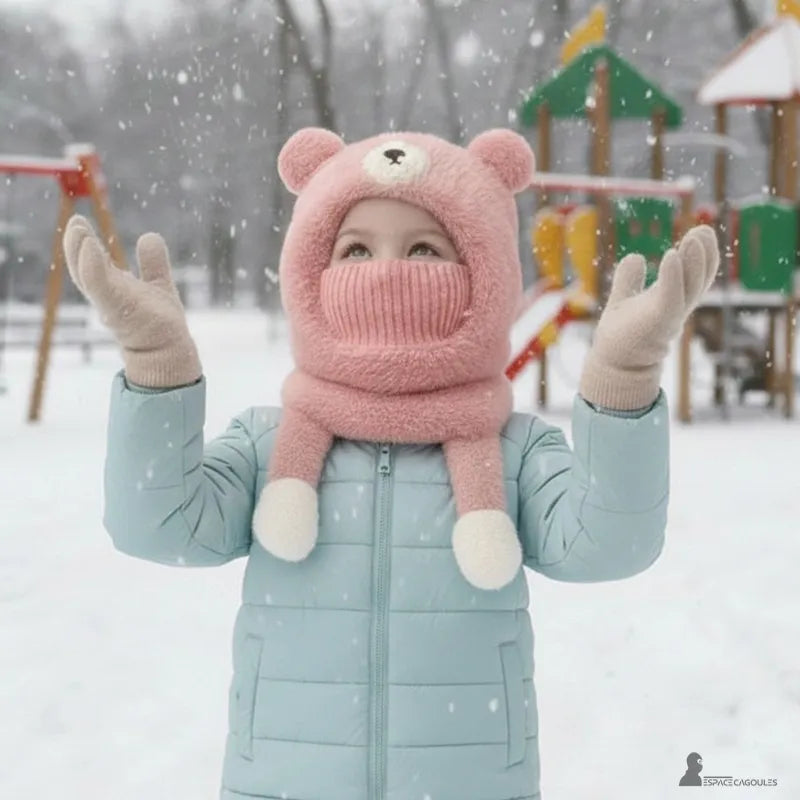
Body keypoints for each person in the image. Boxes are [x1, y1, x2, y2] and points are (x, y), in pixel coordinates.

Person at [63, 127, 718, 800]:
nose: (386, 273)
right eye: (355, 249)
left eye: (425, 248)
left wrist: (623, 377)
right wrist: (157, 365)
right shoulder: (267, 443)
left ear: (484, 278)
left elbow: (611, 543)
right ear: (311, 274)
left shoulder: (516, 451)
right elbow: (157, 525)